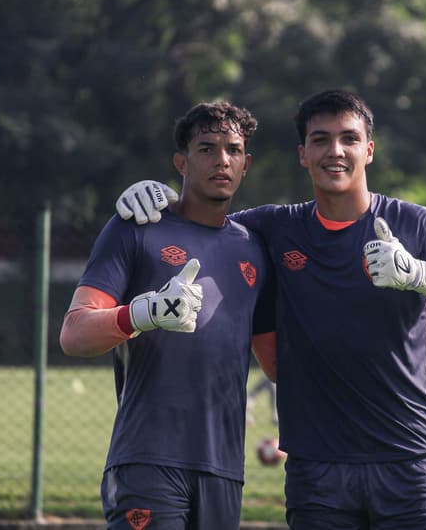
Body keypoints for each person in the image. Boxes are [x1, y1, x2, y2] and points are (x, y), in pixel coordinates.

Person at [115, 89, 426, 529]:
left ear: (369, 150)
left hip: (410, 462)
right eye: (321, 140)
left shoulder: (414, 223)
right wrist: (160, 197)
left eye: (349, 138)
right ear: (303, 154)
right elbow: (203, 224)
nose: (336, 151)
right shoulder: (272, 228)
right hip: (316, 474)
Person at [60, 101, 276, 530]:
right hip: (147, 462)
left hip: (224, 471)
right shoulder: (137, 225)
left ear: (246, 163)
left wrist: (399, 375)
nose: (222, 160)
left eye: (233, 149)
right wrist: (142, 314)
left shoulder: (255, 247)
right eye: (206, 148)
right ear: (180, 161)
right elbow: (74, 333)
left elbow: (280, 366)